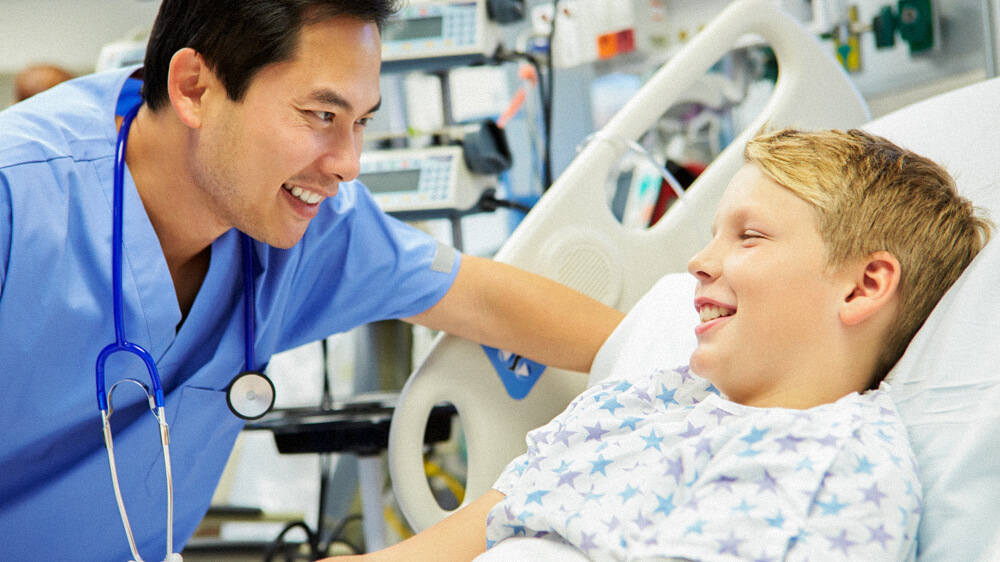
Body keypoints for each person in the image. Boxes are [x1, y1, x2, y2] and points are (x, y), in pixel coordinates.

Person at [0, 1, 624, 561]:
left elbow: (484, 299)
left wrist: (679, 362)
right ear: (195, 87)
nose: (348, 165)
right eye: (322, 114)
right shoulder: (18, 201)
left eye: (360, 123)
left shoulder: (312, 227)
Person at [345, 128, 993, 561]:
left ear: (864, 287)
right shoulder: (638, 404)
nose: (699, 262)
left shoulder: (826, 467)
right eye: (714, 232)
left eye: (750, 237)